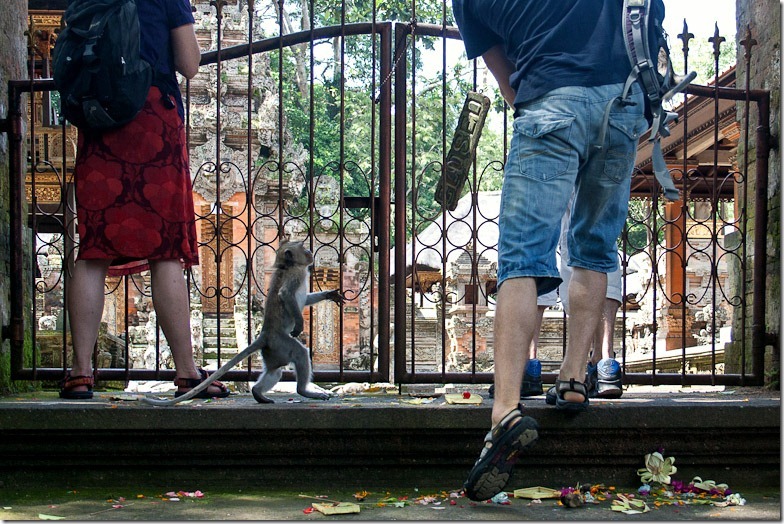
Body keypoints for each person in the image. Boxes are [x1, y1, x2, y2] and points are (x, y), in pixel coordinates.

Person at [453, 0, 650, 502]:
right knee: (593, 245)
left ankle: (505, 412)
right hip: (622, 102)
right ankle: (572, 378)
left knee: (523, 255)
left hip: (550, 100)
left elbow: (505, 77)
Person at [59, 0, 229, 401]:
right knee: (166, 250)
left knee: (94, 247)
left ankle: (81, 372)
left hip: (100, 118)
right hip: (152, 114)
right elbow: (189, 63)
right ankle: (187, 372)